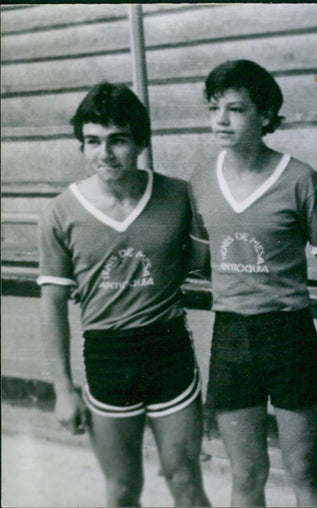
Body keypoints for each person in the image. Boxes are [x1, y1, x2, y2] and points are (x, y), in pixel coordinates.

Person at [38, 82, 210, 507]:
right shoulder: (61, 211)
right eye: (93, 142)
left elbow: (201, 262)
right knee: (121, 489)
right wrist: (63, 388)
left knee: (185, 479)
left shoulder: (178, 195)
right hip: (107, 356)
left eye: (117, 140)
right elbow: (53, 304)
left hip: (167, 349)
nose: (105, 153)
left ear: (140, 142)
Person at [189, 59, 317, 507]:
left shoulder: (299, 179)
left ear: (266, 115)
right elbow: (198, 261)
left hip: (288, 333)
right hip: (231, 336)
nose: (221, 119)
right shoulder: (200, 181)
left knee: (303, 472)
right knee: (247, 475)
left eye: (235, 109)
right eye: (214, 108)